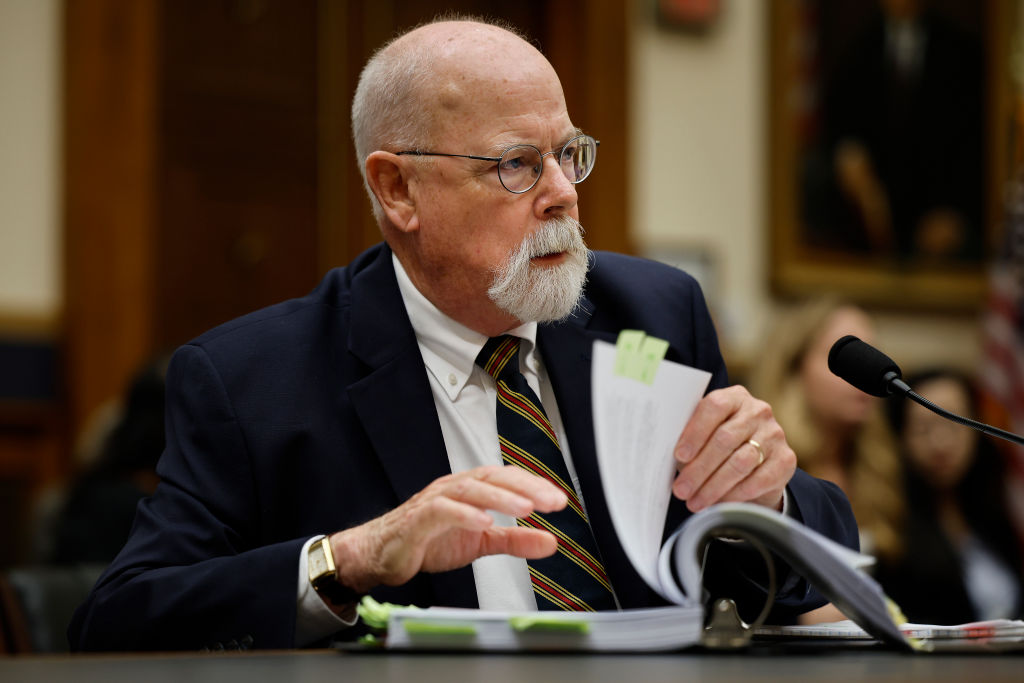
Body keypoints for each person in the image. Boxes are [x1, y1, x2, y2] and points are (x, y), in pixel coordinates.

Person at [69, 17, 857, 651]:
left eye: (567, 155)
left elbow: (778, 568)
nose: (561, 195)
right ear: (397, 188)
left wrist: (773, 491)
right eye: (517, 165)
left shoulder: (651, 313)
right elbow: (119, 620)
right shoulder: (251, 380)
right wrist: (353, 558)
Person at [749, 298, 903, 561]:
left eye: (868, 358)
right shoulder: (761, 464)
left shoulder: (883, 463)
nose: (863, 375)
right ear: (795, 369)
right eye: (848, 361)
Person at [875, 369, 1024, 624]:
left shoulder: (996, 514)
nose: (941, 442)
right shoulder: (890, 532)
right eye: (923, 428)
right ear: (901, 437)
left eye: (954, 422)